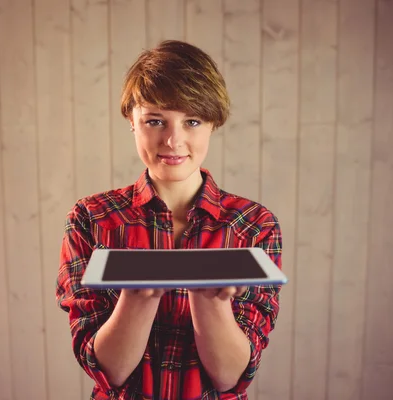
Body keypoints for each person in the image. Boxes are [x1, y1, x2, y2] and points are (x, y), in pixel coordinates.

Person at [56, 40, 282, 400]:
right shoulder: (91, 219)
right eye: (155, 121)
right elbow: (108, 373)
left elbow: (230, 379)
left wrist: (212, 302)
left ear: (213, 124)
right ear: (132, 120)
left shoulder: (253, 225)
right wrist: (137, 295)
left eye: (192, 121)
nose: (173, 140)